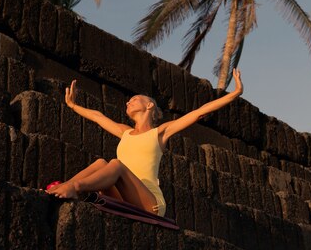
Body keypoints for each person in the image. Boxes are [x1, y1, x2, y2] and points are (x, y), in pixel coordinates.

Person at [46, 68, 244, 217]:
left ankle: (75, 187)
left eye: (134, 99)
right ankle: (65, 185)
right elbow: (98, 117)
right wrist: (72, 105)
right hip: (123, 198)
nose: (127, 102)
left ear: (149, 105)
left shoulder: (160, 133)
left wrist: (234, 93)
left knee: (116, 165)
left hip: (150, 203)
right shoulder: (125, 132)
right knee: (101, 163)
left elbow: (199, 112)